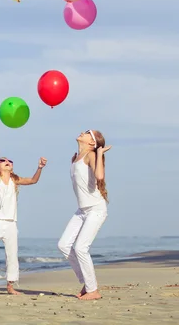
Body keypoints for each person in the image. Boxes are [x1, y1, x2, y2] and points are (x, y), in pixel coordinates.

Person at [0, 150, 47, 297]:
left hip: (11, 224)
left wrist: (40, 168)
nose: (7, 161)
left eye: (9, 161)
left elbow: (33, 181)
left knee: (12, 255)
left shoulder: (14, 181)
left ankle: (10, 286)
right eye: (2, 160)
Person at [57, 129, 111, 301]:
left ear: (92, 142)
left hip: (96, 209)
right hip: (82, 211)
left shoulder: (91, 155)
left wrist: (99, 153)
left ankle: (93, 290)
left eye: (88, 132)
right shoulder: (75, 159)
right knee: (64, 245)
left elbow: (100, 176)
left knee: (81, 247)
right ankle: (86, 283)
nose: (83, 132)